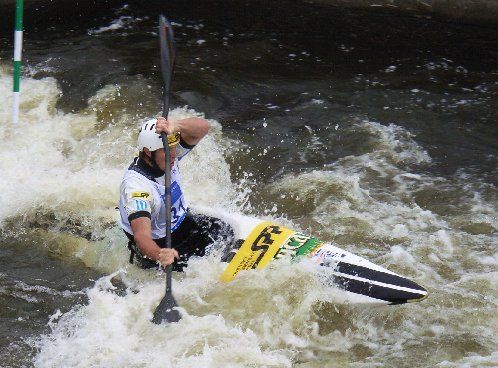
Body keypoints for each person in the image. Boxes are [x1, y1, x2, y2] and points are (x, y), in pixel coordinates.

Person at [118, 116, 234, 271]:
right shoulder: (136, 187)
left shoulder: (166, 157)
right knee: (201, 268)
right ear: (147, 152)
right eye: (167, 149)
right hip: (162, 244)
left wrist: (176, 125)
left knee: (224, 230)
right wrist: (159, 255)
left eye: (173, 147)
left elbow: (204, 127)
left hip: (183, 225)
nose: (174, 154)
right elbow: (141, 236)